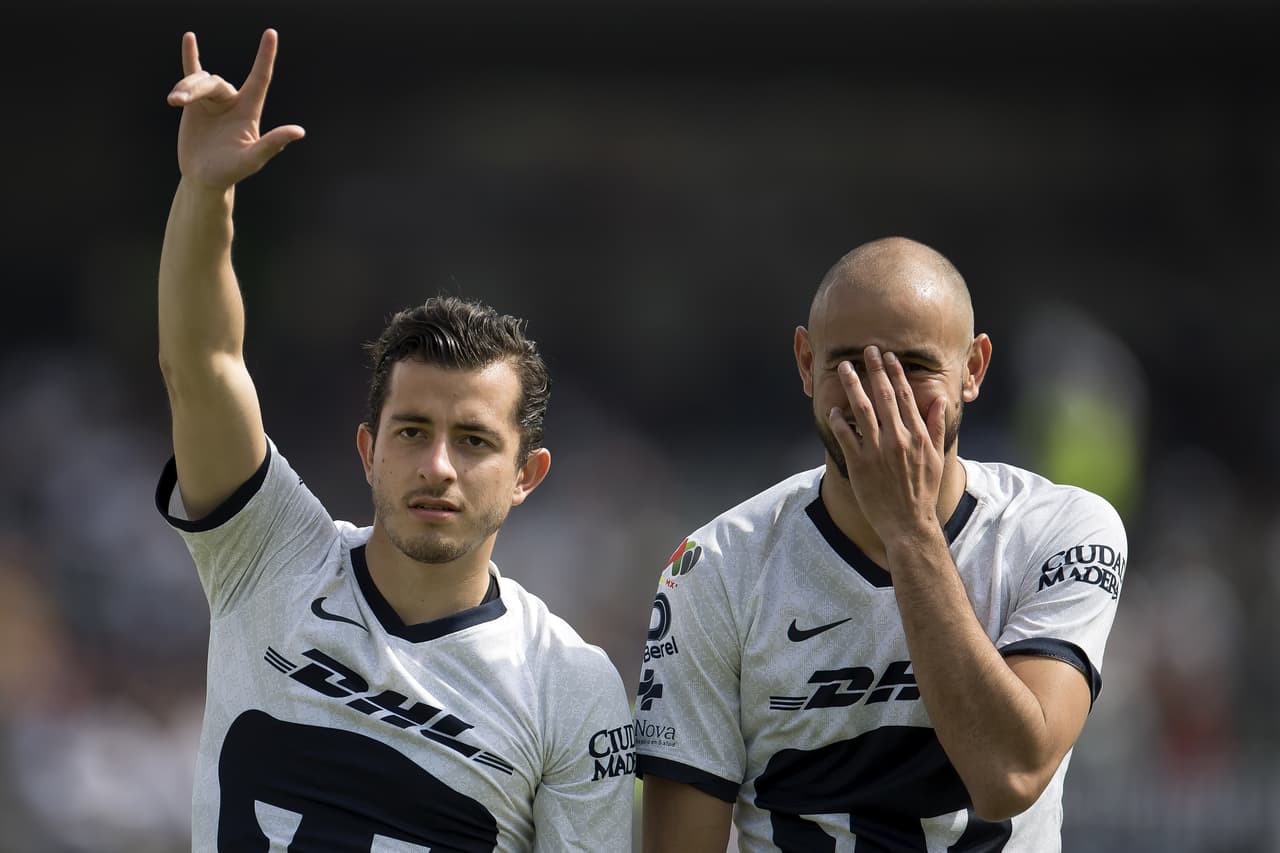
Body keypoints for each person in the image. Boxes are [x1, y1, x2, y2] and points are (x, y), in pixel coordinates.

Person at [155, 29, 634, 851]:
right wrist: (207, 197)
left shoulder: (569, 684)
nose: (438, 465)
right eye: (412, 431)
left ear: (528, 475)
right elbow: (203, 364)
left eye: (475, 441)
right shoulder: (270, 556)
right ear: (369, 450)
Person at [635, 237, 1125, 852]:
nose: (879, 397)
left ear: (973, 369)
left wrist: (909, 529)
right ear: (804, 363)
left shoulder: (1061, 529)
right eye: (849, 366)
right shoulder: (714, 568)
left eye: (914, 367)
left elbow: (1011, 773)